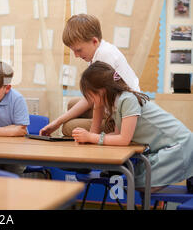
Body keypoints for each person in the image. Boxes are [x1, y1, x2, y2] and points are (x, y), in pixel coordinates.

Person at [72, 61, 193, 192]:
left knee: (140, 186)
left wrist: (91, 137)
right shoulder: (115, 103)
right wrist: (90, 137)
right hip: (166, 147)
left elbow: (123, 139)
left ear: (101, 91)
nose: (90, 100)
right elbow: (117, 135)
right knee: (134, 182)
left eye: (90, 95)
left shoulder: (127, 99)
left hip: (179, 146)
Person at [40, 14, 140, 137]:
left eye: (78, 50)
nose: (76, 55)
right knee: (72, 104)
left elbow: (98, 102)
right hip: (114, 108)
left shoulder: (104, 55)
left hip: (123, 115)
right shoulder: (98, 52)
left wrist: (93, 136)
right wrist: (57, 122)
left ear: (94, 41)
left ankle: (105, 127)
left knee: (68, 128)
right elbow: (92, 97)